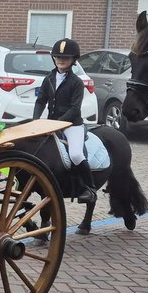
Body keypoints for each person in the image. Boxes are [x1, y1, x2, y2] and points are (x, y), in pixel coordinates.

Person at [33, 38, 96, 204]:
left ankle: (89, 188)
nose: (61, 60)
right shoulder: (49, 78)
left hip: (71, 125)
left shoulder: (76, 82)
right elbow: (41, 101)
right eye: (58, 57)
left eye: (65, 58)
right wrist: (35, 120)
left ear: (73, 60)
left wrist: (58, 123)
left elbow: (75, 108)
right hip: (51, 123)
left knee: (75, 154)